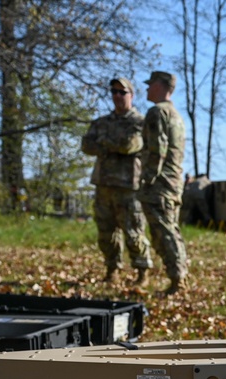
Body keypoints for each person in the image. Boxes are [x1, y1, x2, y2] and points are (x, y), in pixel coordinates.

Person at [81, 76, 153, 285]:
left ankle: (142, 272)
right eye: (114, 92)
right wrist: (111, 144)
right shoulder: (102, 122)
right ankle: (112, 269)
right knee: (106, 232)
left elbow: (130, 145)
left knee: (133, 232)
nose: (117, 96)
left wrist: (103, 143)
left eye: (122, 92)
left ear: (131, 95)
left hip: (128, 186)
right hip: (103, 183)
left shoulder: (139, 122)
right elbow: (86, 145)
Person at [139, 70, 188, 295]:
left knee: (165, 231)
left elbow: (157, 149)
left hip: (160, 183)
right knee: (168, 229)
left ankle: (178, 279)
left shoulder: (157, 113)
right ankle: (177, 277)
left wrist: (147, 179)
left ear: (161, 86)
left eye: (151, 85)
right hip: (173, 182)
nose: (147, 88)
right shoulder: (176, 116)